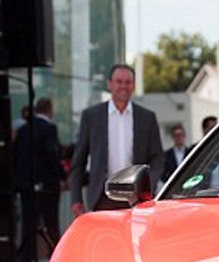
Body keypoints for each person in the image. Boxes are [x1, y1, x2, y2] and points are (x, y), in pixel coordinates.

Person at [70, 64, 164, 215]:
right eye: (119, 82)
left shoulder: (147, 117)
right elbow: (79, 160)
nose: (123, 86)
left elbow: (158, 157)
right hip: (102, 196)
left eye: (128, 82)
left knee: (135, 238)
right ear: (110, 84)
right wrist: (76, 199)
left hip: (136, 197)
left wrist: (148, 186)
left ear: (133, 85)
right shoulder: (92, 116)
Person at [12, 97, 66, 262]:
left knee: (28, 229)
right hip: (47, 187)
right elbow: (52, 155)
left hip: (27, 187)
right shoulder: (48, 129)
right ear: (49, 110)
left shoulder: (23, 130)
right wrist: (62, 177)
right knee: (52, 227)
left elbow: (16, 157)